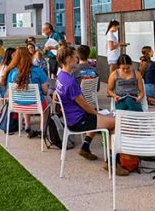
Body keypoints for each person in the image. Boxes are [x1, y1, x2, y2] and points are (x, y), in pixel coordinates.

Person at [55, 46, 128, 175]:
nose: (77, 59)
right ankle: (112, 163)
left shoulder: (61, 76)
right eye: (74, 56)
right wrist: (97, 114)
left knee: (103, 118)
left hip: (73, 118)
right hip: (78, 121)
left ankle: (85, 147)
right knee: (117, 122)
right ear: (68, 58)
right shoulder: (70, 81)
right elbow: (85, 105)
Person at [2, 46, 50, 138]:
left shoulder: (12, 73)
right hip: (36, 104)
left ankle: (28, 126)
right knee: (47, 105)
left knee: (24, 98)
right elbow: (45, 91)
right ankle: (42, 129)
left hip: (17, 105)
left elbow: (9, 92)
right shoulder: (38, 70)